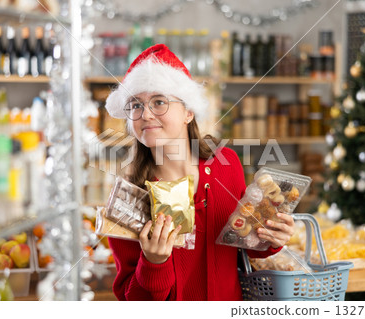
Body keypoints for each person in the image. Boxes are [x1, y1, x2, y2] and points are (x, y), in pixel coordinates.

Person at [105, 44, 295, 301]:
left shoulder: (225, 163)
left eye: (159, 102)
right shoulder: (127, 198)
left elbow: (245, 243)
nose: (146, 114)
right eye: (135, 105)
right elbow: (132, 300)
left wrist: (272, 238)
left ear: (188, 111)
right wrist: (153, 263)